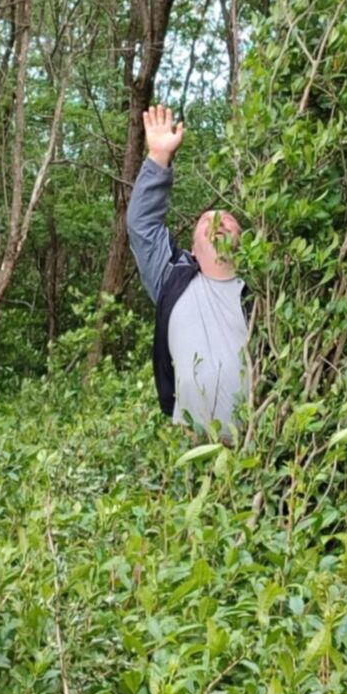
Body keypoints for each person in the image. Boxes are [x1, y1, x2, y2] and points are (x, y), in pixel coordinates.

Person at [126, 104, 251, 444]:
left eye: (227, 219)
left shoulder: (262, 291)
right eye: (205, 220)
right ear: (192, 249)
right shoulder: (174, 281)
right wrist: (157, 157)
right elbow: (142, 226)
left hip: (261, 448)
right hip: (193, 448)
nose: (216, 222)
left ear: (244, 241)